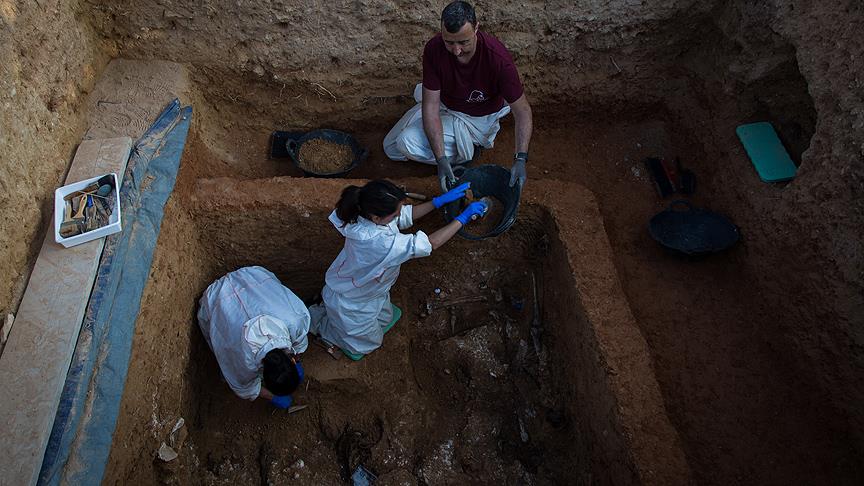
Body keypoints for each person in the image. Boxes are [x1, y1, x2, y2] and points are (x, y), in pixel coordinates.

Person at [309, 179, 487, 360]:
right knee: (367, 345)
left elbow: (402, 216)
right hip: (352, 302)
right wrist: (462, 219)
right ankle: (321, 327)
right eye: (394, 215)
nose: (398, 216)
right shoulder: (381, 243)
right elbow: (431, 243)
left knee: (385, 318)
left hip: (368, 289)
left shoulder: (363, 214)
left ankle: (330, 312)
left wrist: (437, 202)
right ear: (376, 218)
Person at [383, 0, 533, 191]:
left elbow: (523, 111)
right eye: (450, 42)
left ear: (476, 28)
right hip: (446, 105)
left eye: (463, 42)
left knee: (406, 142)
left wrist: (520, 158)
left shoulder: (497, 59)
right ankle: (451, 155)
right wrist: (441, 160)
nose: (456, 50)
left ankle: (469, 151)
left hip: (476, 118)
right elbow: (430, 106)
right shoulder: (434, 49)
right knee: (391, 148)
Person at [197, 266, 309, 409]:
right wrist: (272, 396)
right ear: (263, 376)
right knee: (225, 362)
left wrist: (295, 360)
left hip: (251, 277)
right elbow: (243, 386)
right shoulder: (242, 362)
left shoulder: (294, 321)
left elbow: (299, 341)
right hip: (213, 300)